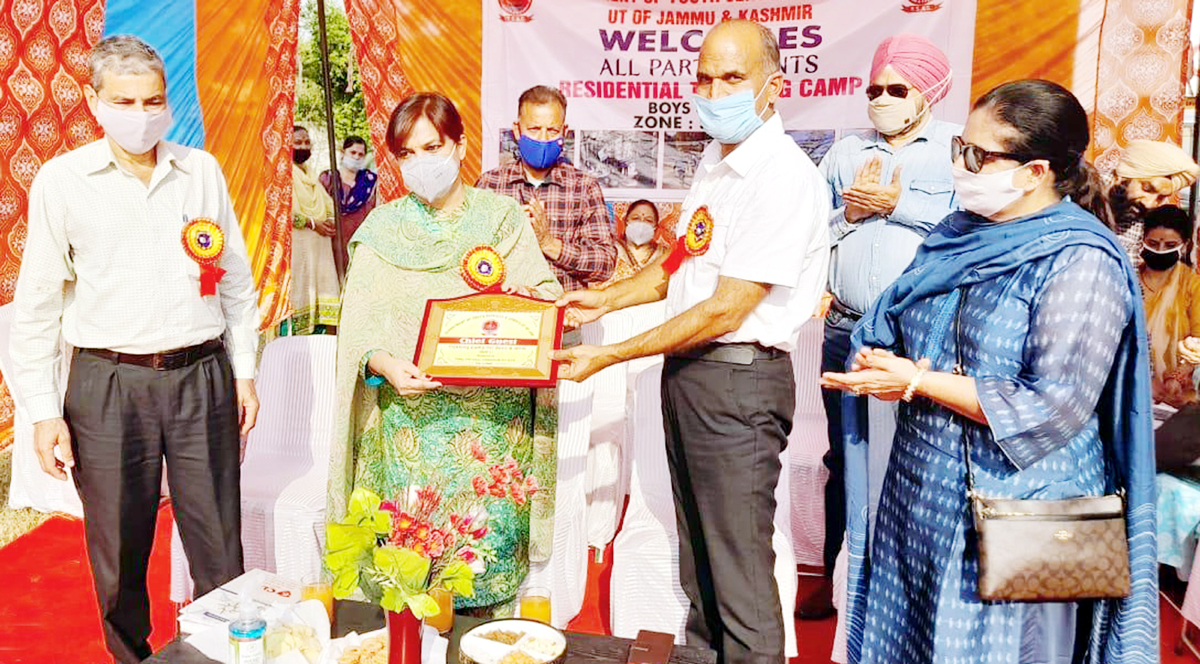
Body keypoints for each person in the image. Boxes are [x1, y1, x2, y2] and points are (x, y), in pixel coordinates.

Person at [823, 80, 1156, 663]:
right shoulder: (956, 234)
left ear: (1035, 172)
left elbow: (1052, 406)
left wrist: (916, 381)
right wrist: (884, 356)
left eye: (977, 155)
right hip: (921, 499)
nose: (960, 165)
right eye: (960, 148)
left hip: (1021, 517)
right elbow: (908, 324)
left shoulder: (1081, 260)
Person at [552, 20, 830, 664]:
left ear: (773, 87)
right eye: (705, 78)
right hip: (692, 381)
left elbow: (728, 306)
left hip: (737, 382)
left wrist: (610, 354)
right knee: (700, 570)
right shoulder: (716, 162)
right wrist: (606, 299)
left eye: (733, 78)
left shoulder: (781, 176)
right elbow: (679, 263)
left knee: (740, 580)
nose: (714, 92)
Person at [8, 35, 259, 663]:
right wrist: (42, 411)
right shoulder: (63, 181)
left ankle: (221, 652)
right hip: (107, 384)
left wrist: (245, 372)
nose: (141, 114)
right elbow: (36, 307)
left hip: (201, 374)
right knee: (118, 548)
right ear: (94, 101)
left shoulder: (200, 171)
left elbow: (235, 280)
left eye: (153, 101)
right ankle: (131, 657)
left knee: (219, 542)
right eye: (124, 101)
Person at [326, 92, 562, 612]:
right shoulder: (382, 230)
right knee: (411, 579)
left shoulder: (502, 221)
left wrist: (522, 301)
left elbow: (546, 297)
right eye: (407, 154)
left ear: (460, 145)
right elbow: (358, 332)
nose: (421, 163)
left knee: (483, 582)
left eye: (432, 147)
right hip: (410, 436)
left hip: (491, 439)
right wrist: (384, 364)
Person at [804, 33, 959, 621]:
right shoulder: (845, 153)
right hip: (845, 329)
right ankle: (834, 577)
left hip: (921, 335)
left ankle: (906, 588)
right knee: (843, 456)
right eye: (875, 90)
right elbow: (810, 231)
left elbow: (972, 230)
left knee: (916, 458)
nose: (883, 100)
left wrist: (899, 207)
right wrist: (852, 213)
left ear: (929, 91)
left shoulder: (957, 150)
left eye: (898, 89)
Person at [476, 85, 617, 292]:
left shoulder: (584, 187)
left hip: (563, 309)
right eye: (534, 129)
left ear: (564, 132)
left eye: (552, 131)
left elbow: (604, 264)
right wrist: (509, 234)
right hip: (504, 306)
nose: (542, 138)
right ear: (517, 130)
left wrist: (548, 243)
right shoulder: (490, 184)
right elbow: (468, 253)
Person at [1138, 205, 1200, 408]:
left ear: (1185, 245)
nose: (1160, 250)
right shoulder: (1129, 279)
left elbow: (1198, 341)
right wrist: (1144, 380)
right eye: (1153, 243)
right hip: (1132, 386)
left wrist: (1177, 377)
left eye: (1170, 245)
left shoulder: (1192, 285)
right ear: (1143, 240)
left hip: (1176, 394)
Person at [1110, 139, 1199, 262]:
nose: (1150, 203)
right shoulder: (1086, 193)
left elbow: (1128, 265)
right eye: (1147, 188)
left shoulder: (1135, 219)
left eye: (1160, 197)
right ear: (1123, 177)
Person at [289, 125, 341, 335]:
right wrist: (312, 223)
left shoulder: (310, 174)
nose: (303, 147)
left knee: (323, 290)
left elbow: (328, 204)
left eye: (306, 142)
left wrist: (330, 220)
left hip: (321, 248)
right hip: (300, 248)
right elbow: (287, 213)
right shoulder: (284, 175)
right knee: (302, 290)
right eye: (298, 142)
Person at [320, 135, 378, 270]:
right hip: (331, 243)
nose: (356, 157)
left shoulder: (370, 182)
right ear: (342, 153)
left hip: (360, 243)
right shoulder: (327, 179)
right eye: (353, 152)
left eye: (361, 154)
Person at [603, 199, 669, 286]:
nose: (641, 223)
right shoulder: (609, 250)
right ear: (626, 221)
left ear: (656, 227)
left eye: (648, 220)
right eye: (636, 218)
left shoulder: (664, 254)